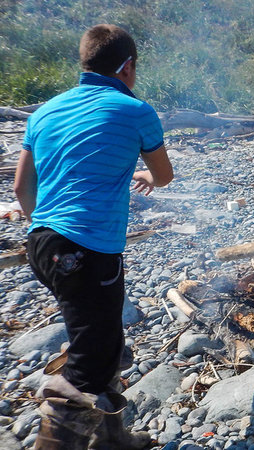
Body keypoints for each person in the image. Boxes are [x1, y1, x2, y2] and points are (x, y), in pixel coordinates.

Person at [13, 24, 173, 449]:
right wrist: (143, 175)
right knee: (88, 360)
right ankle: (54, 440)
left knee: (105, 339)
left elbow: (20, 190)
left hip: (42, 245)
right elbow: (164, 175)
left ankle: (111, 439)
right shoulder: (134, 109)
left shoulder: (44, 111)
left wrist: (47, 232)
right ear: (128, 67)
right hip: (87, 250)